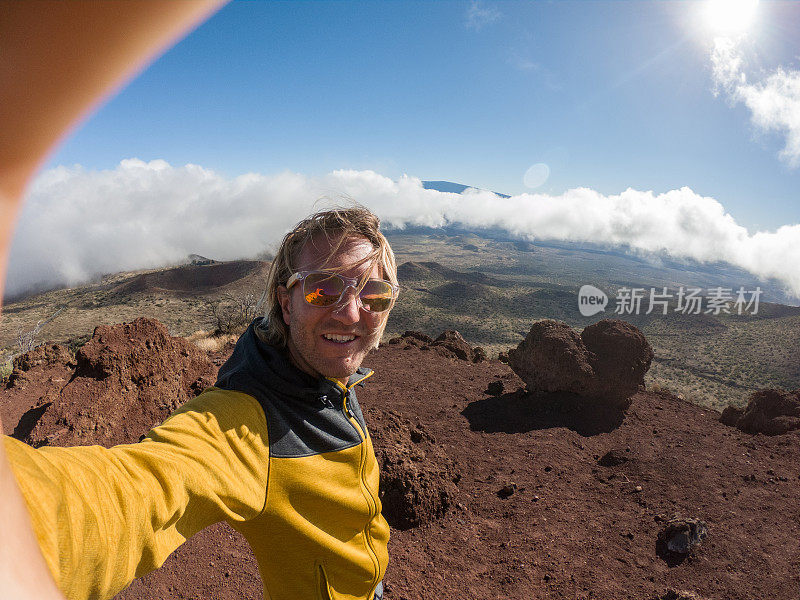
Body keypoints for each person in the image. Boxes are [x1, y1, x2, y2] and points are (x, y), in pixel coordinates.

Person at [2, 206, 398, 600]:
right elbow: (137, 491)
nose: (350, 314)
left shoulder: (324, 371)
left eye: (373, 293)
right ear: (286, 302)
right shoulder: (246, 420)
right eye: (322, 289)